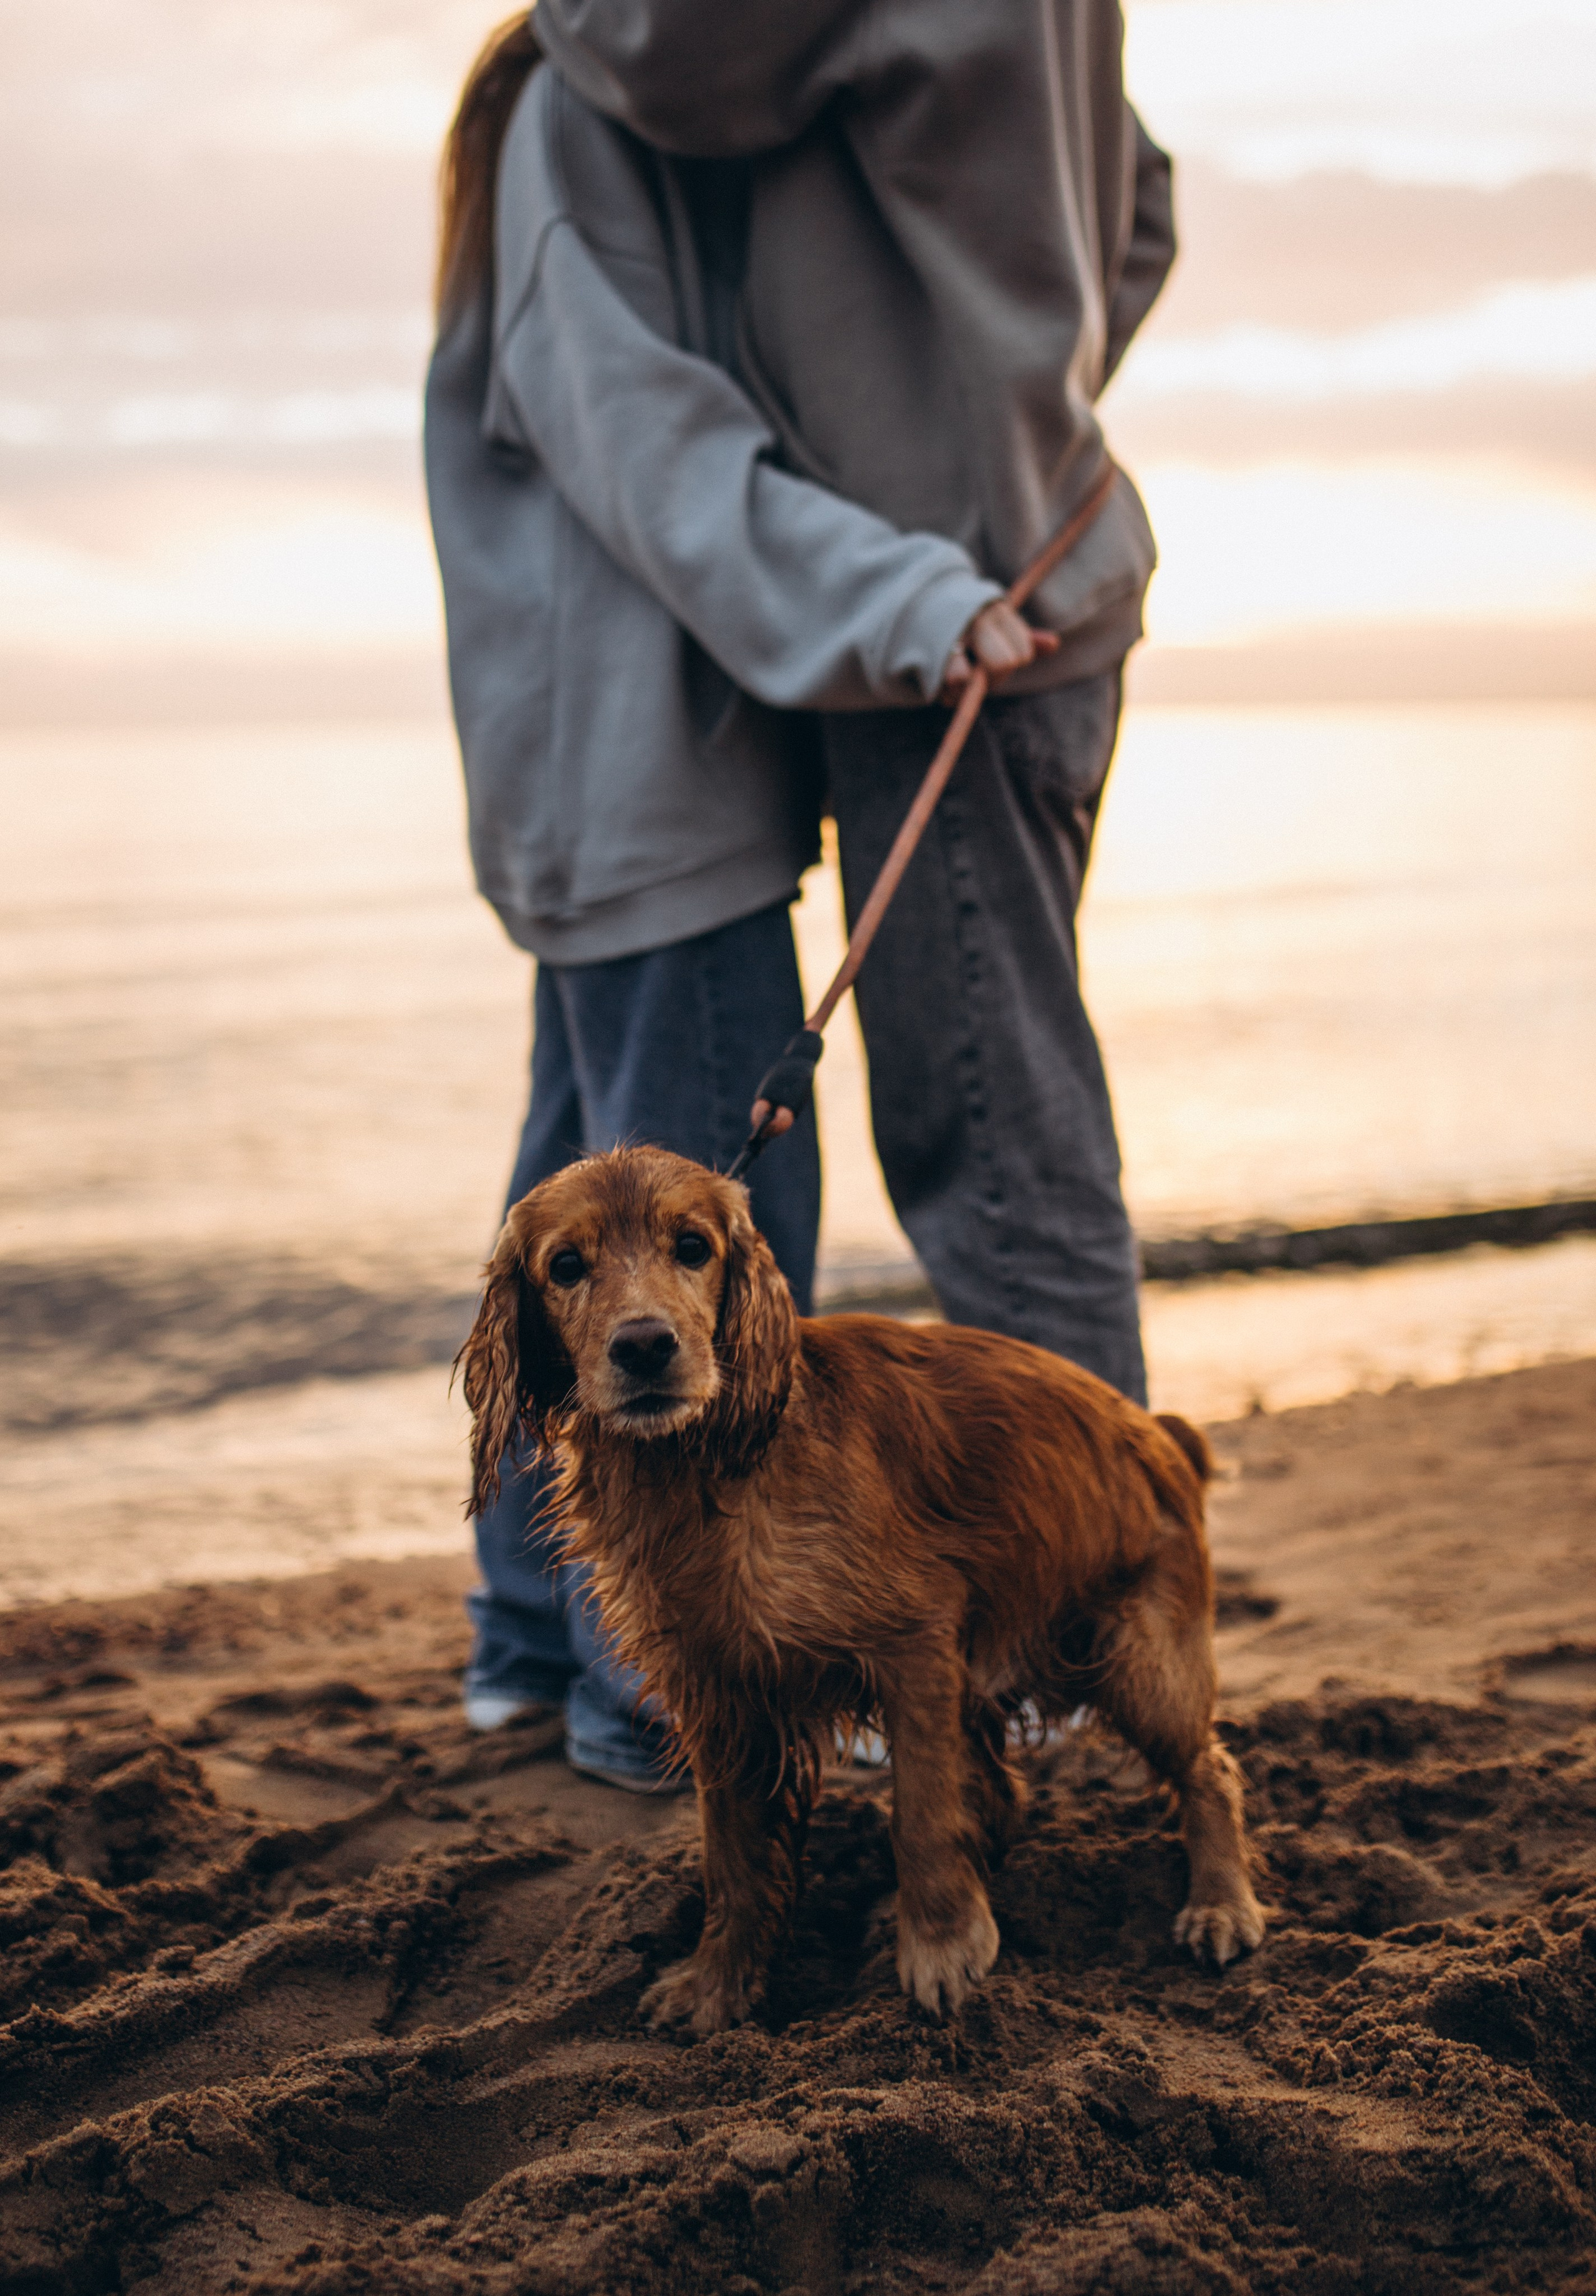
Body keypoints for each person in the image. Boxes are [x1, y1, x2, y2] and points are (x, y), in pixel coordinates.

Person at [425, 4, 1173, 1786]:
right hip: (645, 765)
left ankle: (534, 1648)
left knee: (596, 1188)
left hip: (674, 744)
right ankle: (635, 1702)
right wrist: (983, 452)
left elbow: (1117, 214)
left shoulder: (633, 99)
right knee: (651, 1230)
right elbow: (663, 456)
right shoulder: (579, 132)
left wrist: (934, 498)